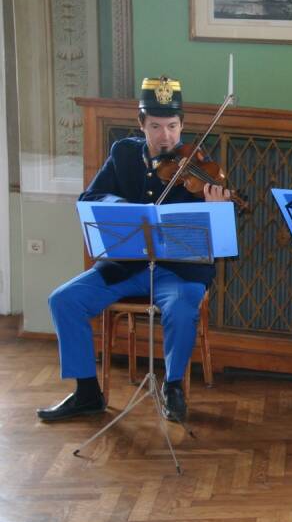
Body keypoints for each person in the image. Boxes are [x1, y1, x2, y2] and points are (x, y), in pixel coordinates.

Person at [38, 76, 232, 424]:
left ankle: (172, 387)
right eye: (156, 126)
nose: (165, 137)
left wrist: (217, 208)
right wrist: (124, 208)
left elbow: (216, 237)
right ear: (141, 125)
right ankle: (87, 393)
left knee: (183, 307)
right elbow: (91, 198)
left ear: (182, 126)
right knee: (64, 299)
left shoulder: (199, 167)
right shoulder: (124, 153)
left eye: (173, 126)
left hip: (179, 269)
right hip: (128, 265)